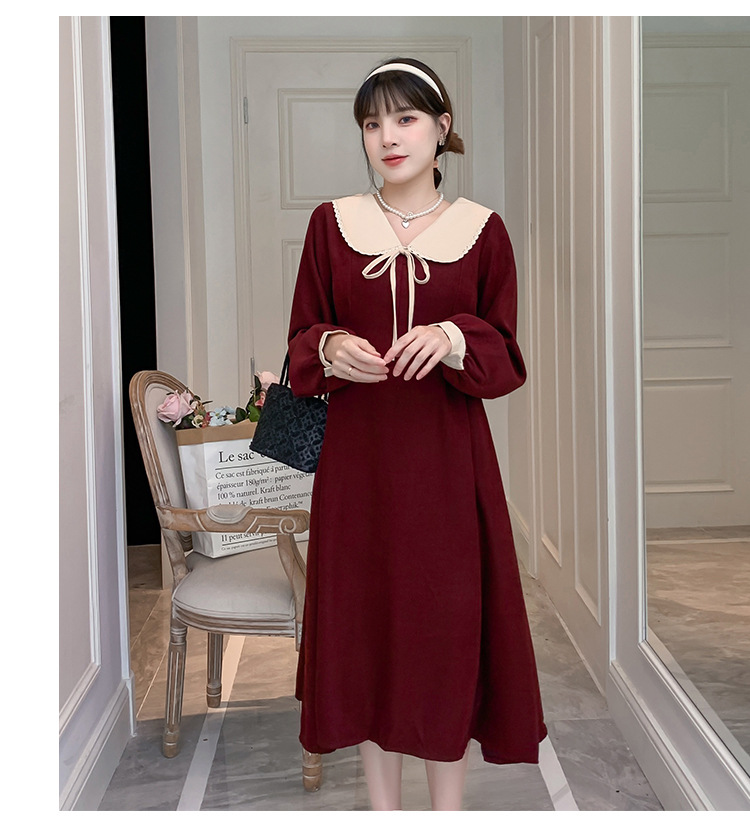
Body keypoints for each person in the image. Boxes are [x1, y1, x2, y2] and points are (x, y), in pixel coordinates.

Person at [286, 57, 547, 811]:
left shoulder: (483, 232)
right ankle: (384, 814)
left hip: (448, 467)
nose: (388, 138)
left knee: (443, 631)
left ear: (442, 127)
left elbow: (507, 357)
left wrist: (454, 335)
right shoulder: (331, 224)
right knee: (367, 633)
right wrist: (331, 345)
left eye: (405, 119)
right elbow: (301, 337)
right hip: (357, 469)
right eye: (373, 124)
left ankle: (447, 815)